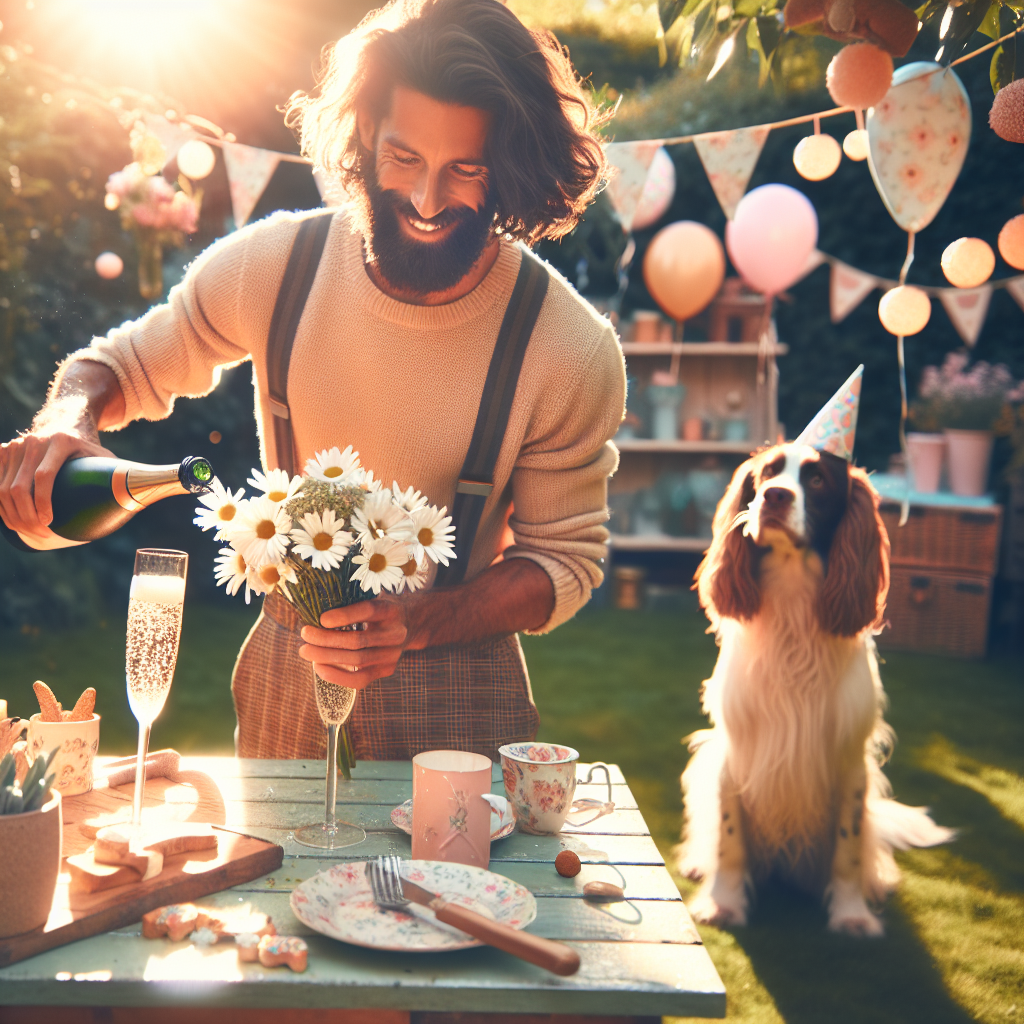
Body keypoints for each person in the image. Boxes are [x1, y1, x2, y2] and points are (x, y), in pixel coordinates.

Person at [0, 0, 626, 762]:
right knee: (268, 880)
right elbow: (116, 366)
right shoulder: (275, 267)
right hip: (286, 671)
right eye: (404, 158)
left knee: (455, 888)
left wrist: (420, 621)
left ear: (512, 168)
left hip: (463, 684)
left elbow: (563, 561)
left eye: (465, 169)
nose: (427, 202)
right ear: (365, 135)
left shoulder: (567, 345)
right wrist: (70, 419)